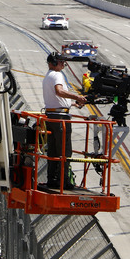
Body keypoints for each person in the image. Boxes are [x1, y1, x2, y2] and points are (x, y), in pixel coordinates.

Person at [42, 52, 86, 190]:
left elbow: (55, 99)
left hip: (51, 116)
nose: (63, 64)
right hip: (61, 119)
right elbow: (59, 91)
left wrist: (71, 104)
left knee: (53, 150)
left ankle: (52, 179)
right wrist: (77, 97)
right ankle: (63, 181)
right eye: (61, 62)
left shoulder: (48, 76)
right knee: (64, 151)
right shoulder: (57, 75)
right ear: (54, 63)